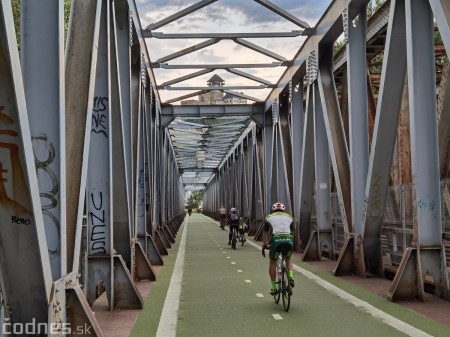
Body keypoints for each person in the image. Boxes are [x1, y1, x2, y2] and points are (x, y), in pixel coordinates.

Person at [262, 202, 295, 295]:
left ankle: (274, 287)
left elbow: (265, 234)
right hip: (289, 239)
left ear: (273, 210)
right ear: (283, 210)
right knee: (288, 259)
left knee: (272, 262)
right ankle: (291, 277)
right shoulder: (289, 217)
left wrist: (265, 245)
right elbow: (292, 232)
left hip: (276, 240)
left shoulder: (268, 217)